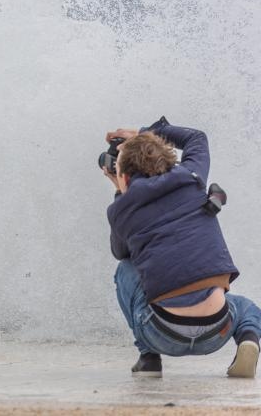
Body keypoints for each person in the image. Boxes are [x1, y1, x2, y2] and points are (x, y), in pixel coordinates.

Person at [103, 116, 261, 378]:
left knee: (125, 270)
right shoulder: (193, 177)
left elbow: (121, 253)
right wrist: (147, 132)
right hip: (217, 330)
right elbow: (196, 137)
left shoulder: (121, 208)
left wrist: (122, 194)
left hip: (161, 333)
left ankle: (148, 358)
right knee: (246, 307)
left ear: (125, 175)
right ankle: (249, 340)